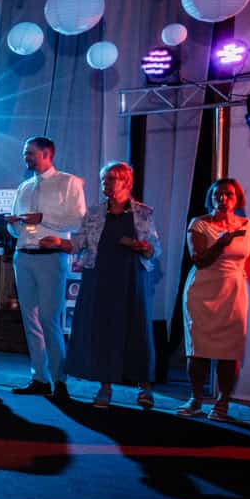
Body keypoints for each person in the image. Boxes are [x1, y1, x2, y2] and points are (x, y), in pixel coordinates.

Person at [63, 162, 161, 408]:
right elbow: (79, 243)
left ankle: (144, 387)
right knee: (103, 330)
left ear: (125, 182)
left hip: (131, 276)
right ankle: (104, 387)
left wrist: (144, 247)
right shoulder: (94, 213)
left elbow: (154, 248)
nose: (105, 184)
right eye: (104, 179)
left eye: (110, 180)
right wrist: (57, 242)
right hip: (100, 276)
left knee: (136, 329)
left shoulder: (143, 213)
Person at [179, 178, 250, 421]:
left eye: (228, 194)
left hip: (233, 291)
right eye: (217, 194)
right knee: (198, 350)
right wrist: (221, 242)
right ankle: (196, 399)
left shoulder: (246, 225)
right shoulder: (198, 224)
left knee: (230, 351)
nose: (222, 199)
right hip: (202, 290)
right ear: (211, 198)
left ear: (237, 199)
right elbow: (199, 260)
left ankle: (222, 404)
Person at [7, 136, 86, 397]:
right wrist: (13, 222)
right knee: (30, 320)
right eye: (24, 154)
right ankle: (39, 378)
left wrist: (45, 218)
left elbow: (78, 222)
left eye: (29, 153)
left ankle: (59, 379)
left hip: (51, 256)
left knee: (49, 319)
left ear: (46, 153)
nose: (25, 158)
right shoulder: (24, 187)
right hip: (23, 254)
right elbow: (16, 225)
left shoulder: (68, 182)